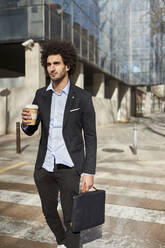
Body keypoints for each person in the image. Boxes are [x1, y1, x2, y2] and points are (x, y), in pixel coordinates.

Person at [21, 40, 97, 248]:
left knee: (72, 218)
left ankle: (71, 244)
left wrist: (89, 171)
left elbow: (90, 136)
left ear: (68, 66)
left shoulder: (82, 98)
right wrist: (25, 123)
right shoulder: (41, 94)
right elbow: (31, 129)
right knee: (48, 212)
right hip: (44, 167)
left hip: (70, 168)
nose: (51, 68)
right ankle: (62, 241)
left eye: (56, 63)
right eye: (48, 64)